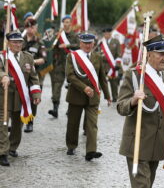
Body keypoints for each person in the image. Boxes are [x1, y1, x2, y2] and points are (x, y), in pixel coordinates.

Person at [117, 34, 164, 188]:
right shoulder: (135, 75)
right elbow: (121, 107)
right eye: (160, 54)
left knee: (147, 185)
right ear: (149, 54)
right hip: (137, 142)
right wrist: (132, 100)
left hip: (158, 144)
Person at [65, 33, 111, 161]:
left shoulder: (97, 57)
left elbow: (102, 77)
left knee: (92, 125)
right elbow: (70, 76)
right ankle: (71, 145)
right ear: (80, 43)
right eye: (85, 43)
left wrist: (108, 95)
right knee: (73, 123)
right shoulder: (72, 56)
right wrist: (84, 87)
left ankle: (91, 151)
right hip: (76, 95)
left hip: (93, 97)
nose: (88, 45)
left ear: (93, 44)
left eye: (90, 43)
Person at [0, 31, 41, 160]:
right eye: (15, 42)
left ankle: (12, 147)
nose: (18, 45)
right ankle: (3, 152)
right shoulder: (2, 57)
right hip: (4, 95)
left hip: (21, 97)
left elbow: (33, 77)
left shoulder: (28, 57)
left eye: (20, 42)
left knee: (18, 124)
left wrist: (36, 94)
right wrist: (3, 76)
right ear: (8, 43)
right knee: (3, 123)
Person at [48, 15, 79, 118]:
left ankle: (71, 109)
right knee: (57, 86)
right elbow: (53, 48)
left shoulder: (75, 36)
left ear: (71, 23)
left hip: (72, 65)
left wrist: (68, 46)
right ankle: (55, 108)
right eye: (64, 22)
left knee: (72, 87)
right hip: (60, 64)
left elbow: (79, 46)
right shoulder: (59, 35)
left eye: (68, 22)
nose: (66, 24)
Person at [22, 18, 47, 133]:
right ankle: (20, 120)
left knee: (33, 98)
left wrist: (32, 62)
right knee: (21, 97)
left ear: (36, 28)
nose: (30, 29)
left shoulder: (39, 42)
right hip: (21, 75)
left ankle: (30, 122)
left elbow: (43, 59)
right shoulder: (20, 41)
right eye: (28, 27)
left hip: (34, 76)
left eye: (32, 27)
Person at [101, 27, 122, 102]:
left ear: (110, 33)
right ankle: (99, 97)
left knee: (114, 84)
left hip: (112, 66)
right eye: (105, 33)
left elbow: (119, 54)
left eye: (107, 33)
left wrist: (117, 64)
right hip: (103, 65)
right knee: (101, 83)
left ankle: (115, 98)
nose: (106, 35)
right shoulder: (101, 42)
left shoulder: (115, 42)